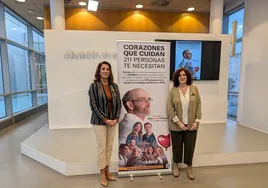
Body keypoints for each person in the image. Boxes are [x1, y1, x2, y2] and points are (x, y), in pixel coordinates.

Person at [88, 61, 121, 187]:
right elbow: (93, 105)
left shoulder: (114, 86)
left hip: (113, 121)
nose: (106, 71)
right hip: (99, 122)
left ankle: (107, 171)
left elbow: (118, 103)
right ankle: (102, 173)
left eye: (108, 69)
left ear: (110, 71)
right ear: (99, 71)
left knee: (109, 147)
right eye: (103, 69)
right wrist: (105, 119)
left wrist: (116, 118)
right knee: (101, 148)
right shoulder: (94, 86)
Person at [167, 68, 202, 180]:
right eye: (180, 75)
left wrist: (196, 122)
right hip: (177, 125)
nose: (182, 77)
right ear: (177, 78)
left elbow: (198, 105)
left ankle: (190, 167)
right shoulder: (173, 91)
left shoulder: (194, 89)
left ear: (187, 77)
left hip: (191, 125)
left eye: (184, 75)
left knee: (190, 146)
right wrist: (179, 122)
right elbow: (170, 107)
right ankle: (175, 165)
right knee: (177, 146)